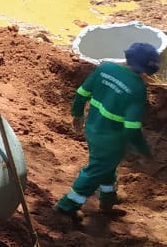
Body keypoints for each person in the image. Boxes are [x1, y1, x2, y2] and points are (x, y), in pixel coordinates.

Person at [55, 41, 160, 217]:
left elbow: (82, 93)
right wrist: (141, 149)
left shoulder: (105, 68)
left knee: (107, 167)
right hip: (112, 141)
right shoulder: (137, 88)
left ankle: (108, 198)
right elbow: (132, 126)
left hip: (93, 128)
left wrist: (77, 113)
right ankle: (67, 206)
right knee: (94, 172)